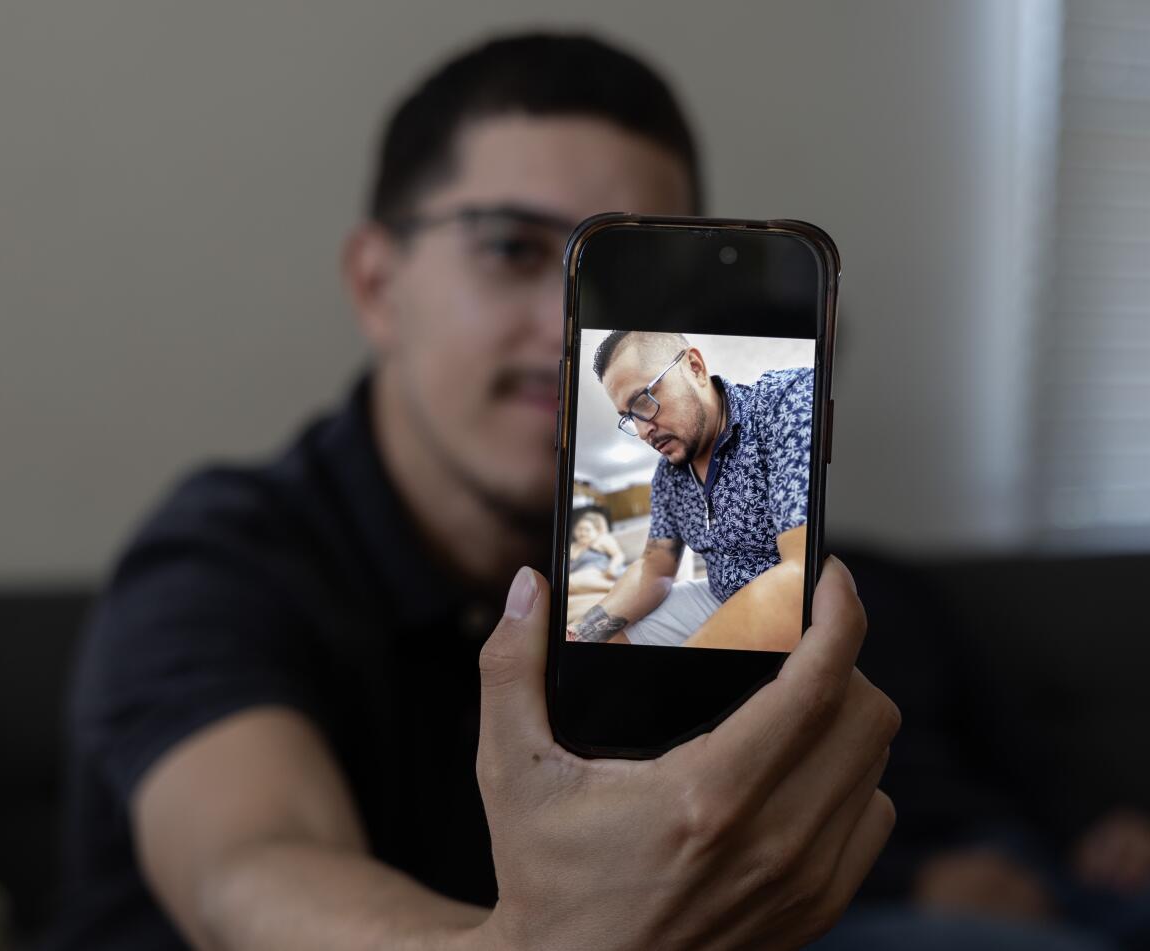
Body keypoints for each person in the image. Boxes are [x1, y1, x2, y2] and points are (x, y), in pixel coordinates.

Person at [46, 33, 899, 950]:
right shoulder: (220, 560)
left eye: (618, 273)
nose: (565, 331)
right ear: (378, 286)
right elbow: (249, 869)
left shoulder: (626, 508)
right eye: (511, 250)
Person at [567, 331, 812, 650]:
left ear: (694, 367)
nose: (642, 432)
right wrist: (582, 630)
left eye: (643, 401)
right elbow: (655, 564)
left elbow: (803, 573)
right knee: (598, 642)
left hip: (790, 602)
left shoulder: (782, 401)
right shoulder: (668, 475)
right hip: (714, 593)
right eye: (629, 417)